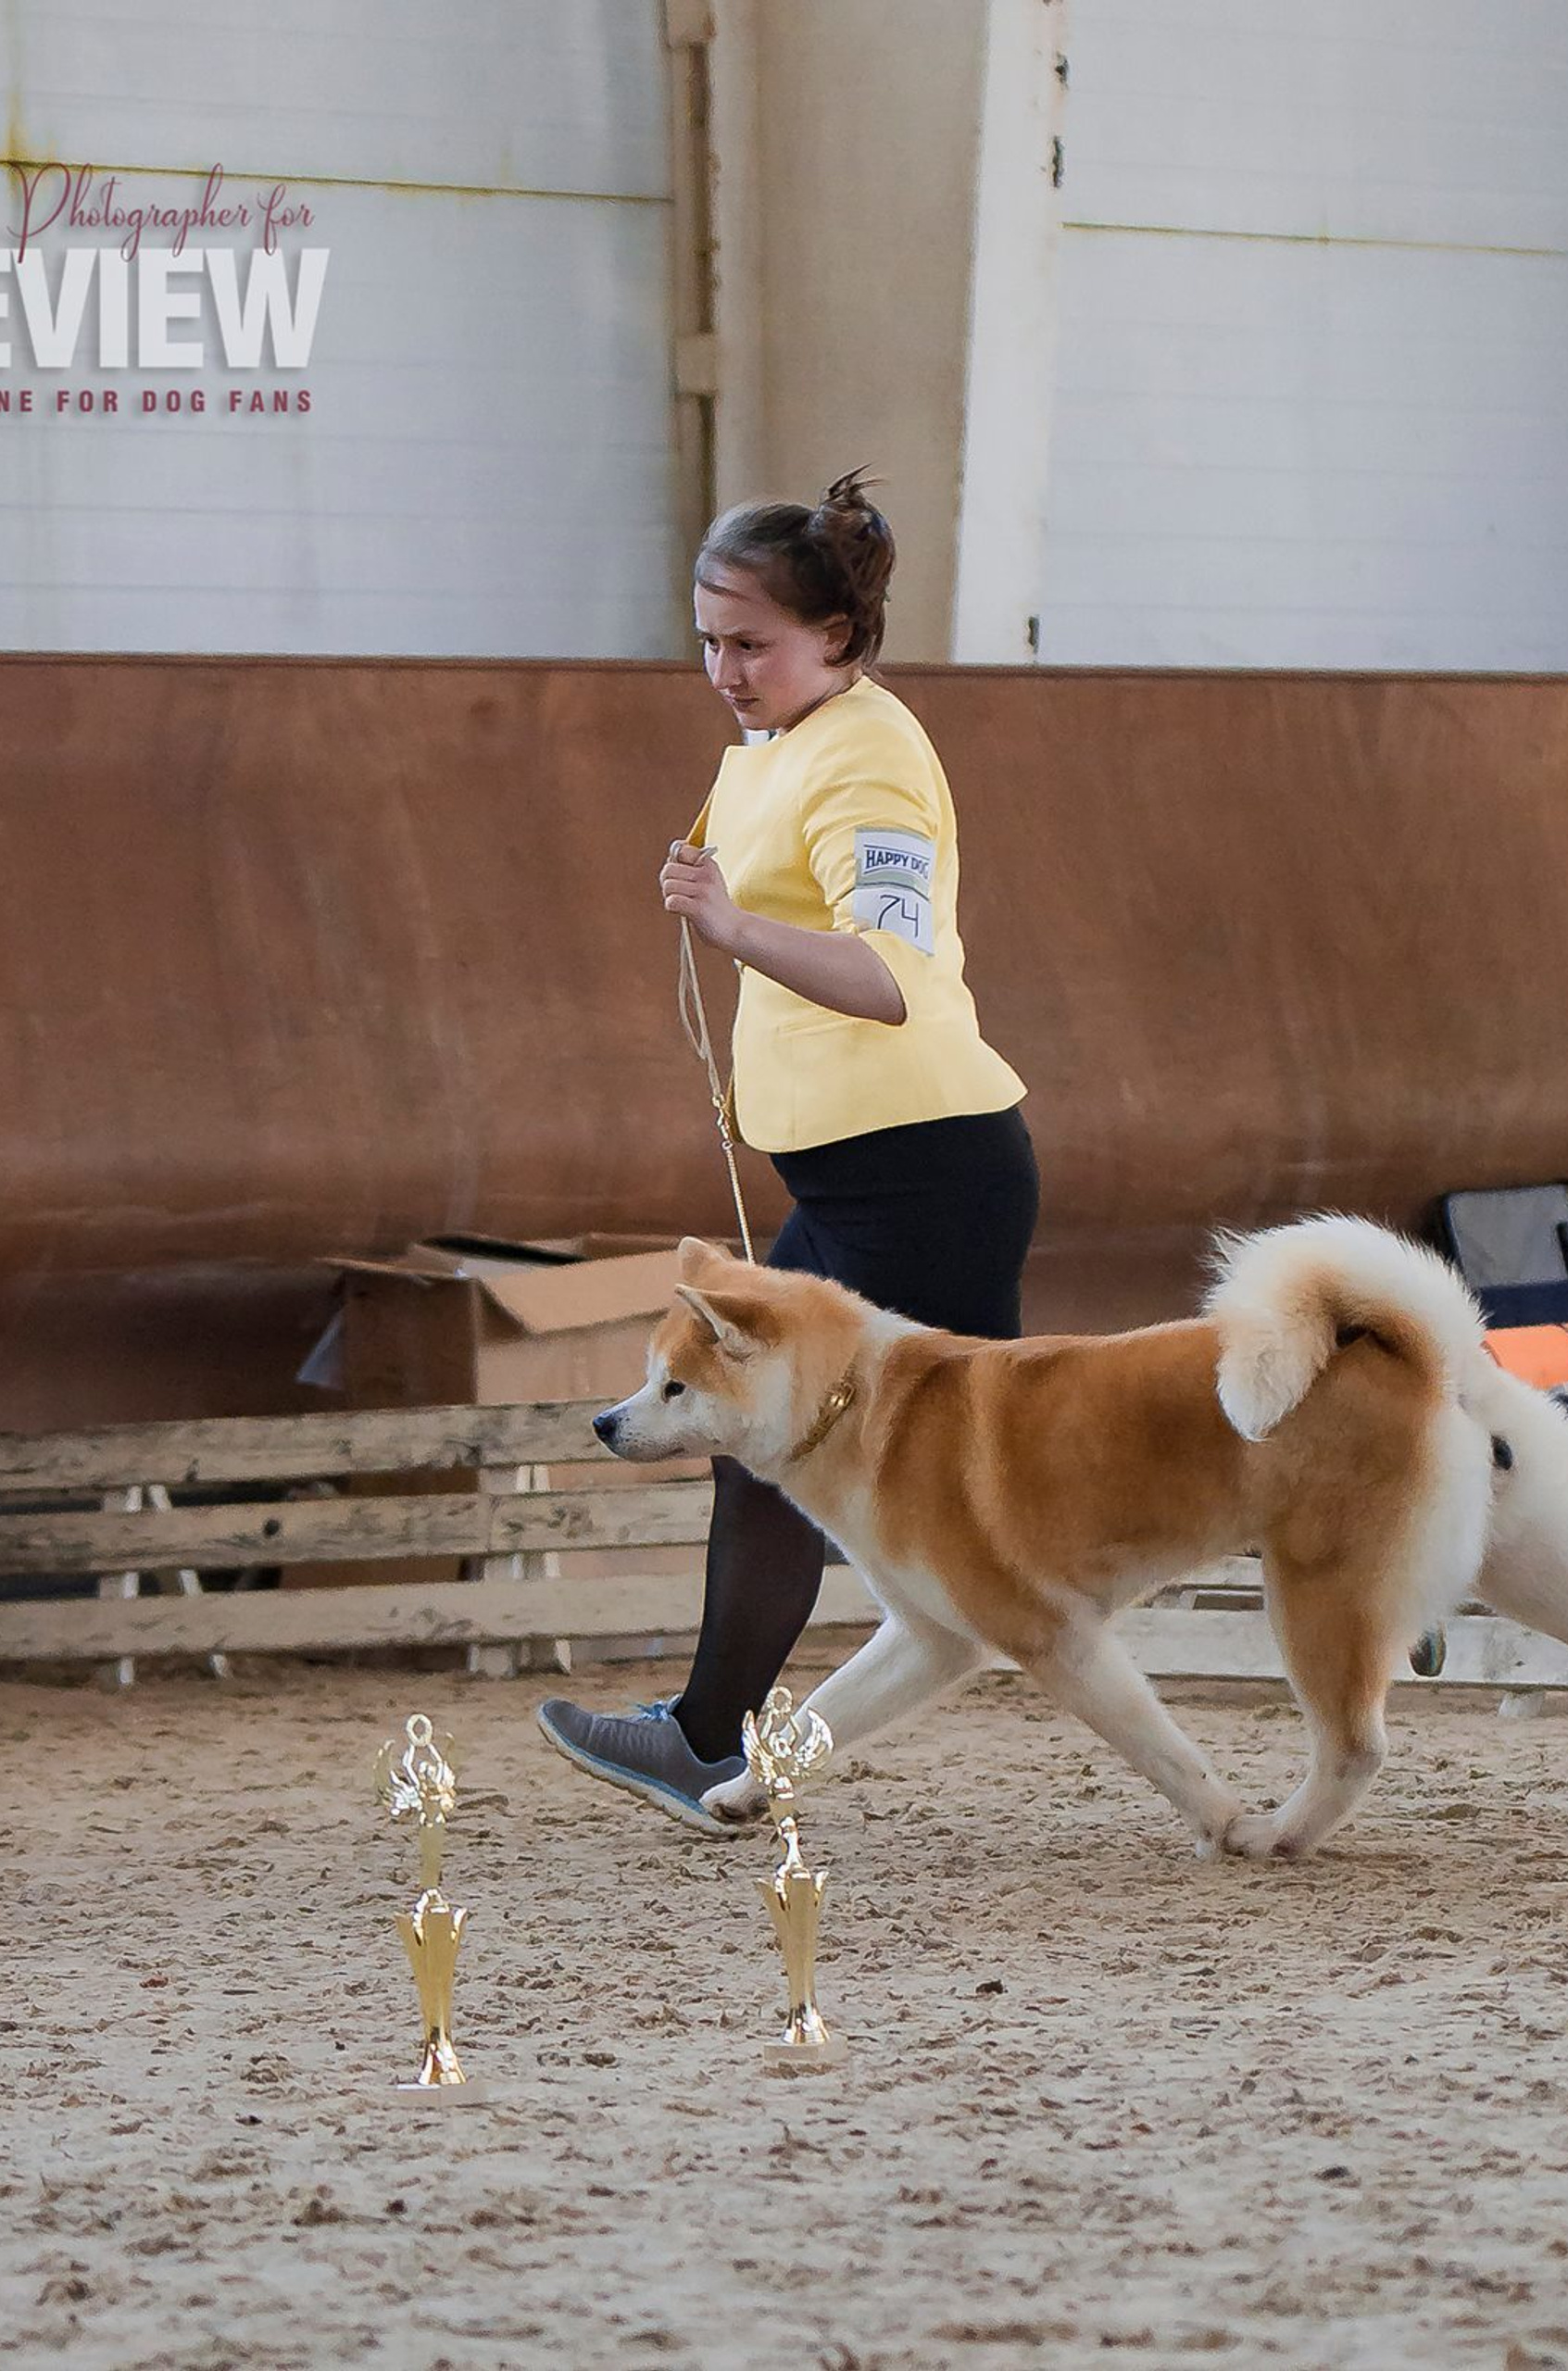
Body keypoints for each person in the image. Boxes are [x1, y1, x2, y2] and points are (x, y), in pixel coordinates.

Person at [535, 472, 1037, 1827]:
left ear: (840, 638)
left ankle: (1351, 1557)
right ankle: (702, 1736)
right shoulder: (780, 735)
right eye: (706, 640)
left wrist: (730, 925)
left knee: (1011, 1487)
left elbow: (887, 975)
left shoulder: (869, 751)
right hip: (862, 1179)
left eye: (749, 643)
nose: (722, 670)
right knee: (779, 1446)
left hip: (921, 1174)